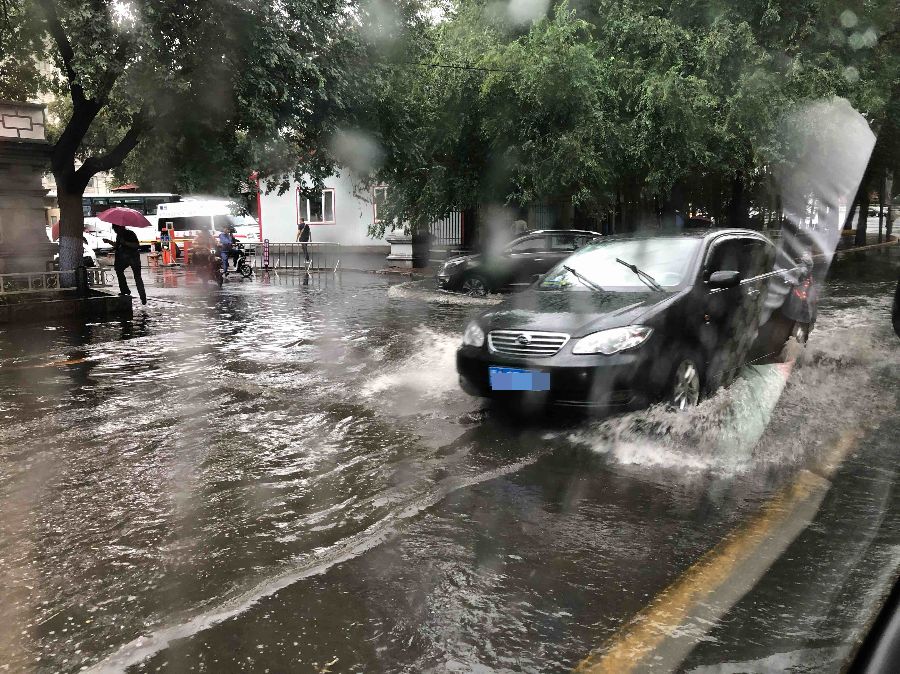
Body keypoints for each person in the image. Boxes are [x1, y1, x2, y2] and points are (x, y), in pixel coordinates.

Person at [103, 224, 146, 304]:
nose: (115, 231)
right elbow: (118, 245)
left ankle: (143, 297)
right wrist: (108, 242)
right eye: (114, 229)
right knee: (118, 270)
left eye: (115, 229)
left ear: (120, 227)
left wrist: (125, 243)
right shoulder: (119, 235)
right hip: (123, 258)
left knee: (137, 277)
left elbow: (136, 245)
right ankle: (125, 290)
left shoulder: (130, 233)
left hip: (133, 258)